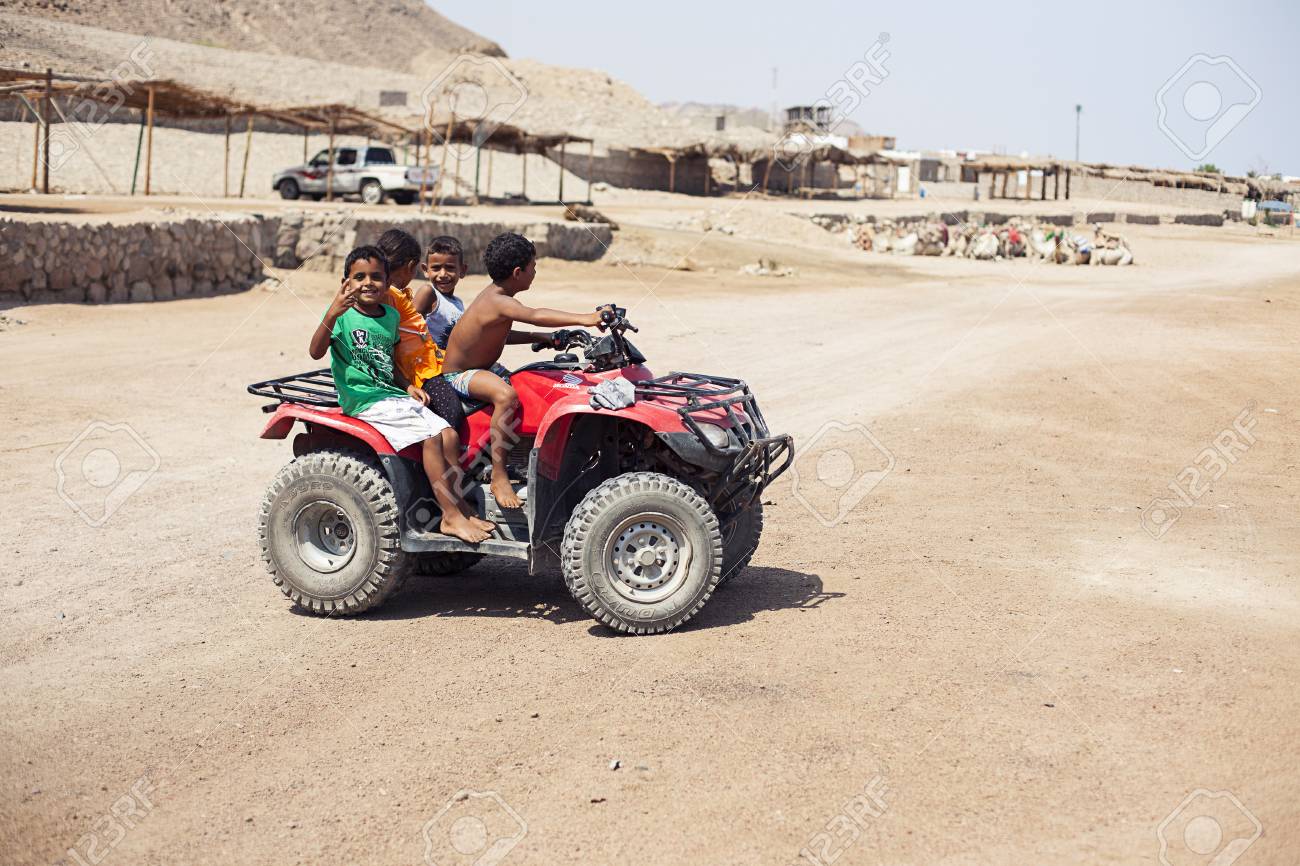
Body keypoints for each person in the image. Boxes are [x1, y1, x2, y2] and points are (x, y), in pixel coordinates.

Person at [308, 245, 492, 544]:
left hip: (391, 394)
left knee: (448, 435)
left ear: (387, 281)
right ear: (346, 283)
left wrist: (408, 385)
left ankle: (459, 506)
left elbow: (388, 362)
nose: (369, 283)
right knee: (431, 438)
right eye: (359, 277)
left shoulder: (390, 317)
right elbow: (315, 351)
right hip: (363, 398)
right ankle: (449, 516)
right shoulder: (341, 317)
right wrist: (332, 310)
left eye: (377, 277)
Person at [441, 232, 612, 509]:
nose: (536, 271)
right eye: (534, 266)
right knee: (507, 397)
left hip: (485, 367)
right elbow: (535, 314)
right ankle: (498, 475)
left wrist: (542, 338)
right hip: (459, 375)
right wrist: (588, 318)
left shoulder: (499, 298)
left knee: (532, 386)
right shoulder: (498, 300)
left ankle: (523, 459)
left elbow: (501, 333)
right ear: (518, 272)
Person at [412, 235, 469, 350]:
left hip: (450, 363)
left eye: (450, 268)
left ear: (462, 271)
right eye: (436, 268)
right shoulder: (428, 293)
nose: (443, 274)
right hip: (430, 364)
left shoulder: (458, 303)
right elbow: (408, 328)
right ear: (425, 270)